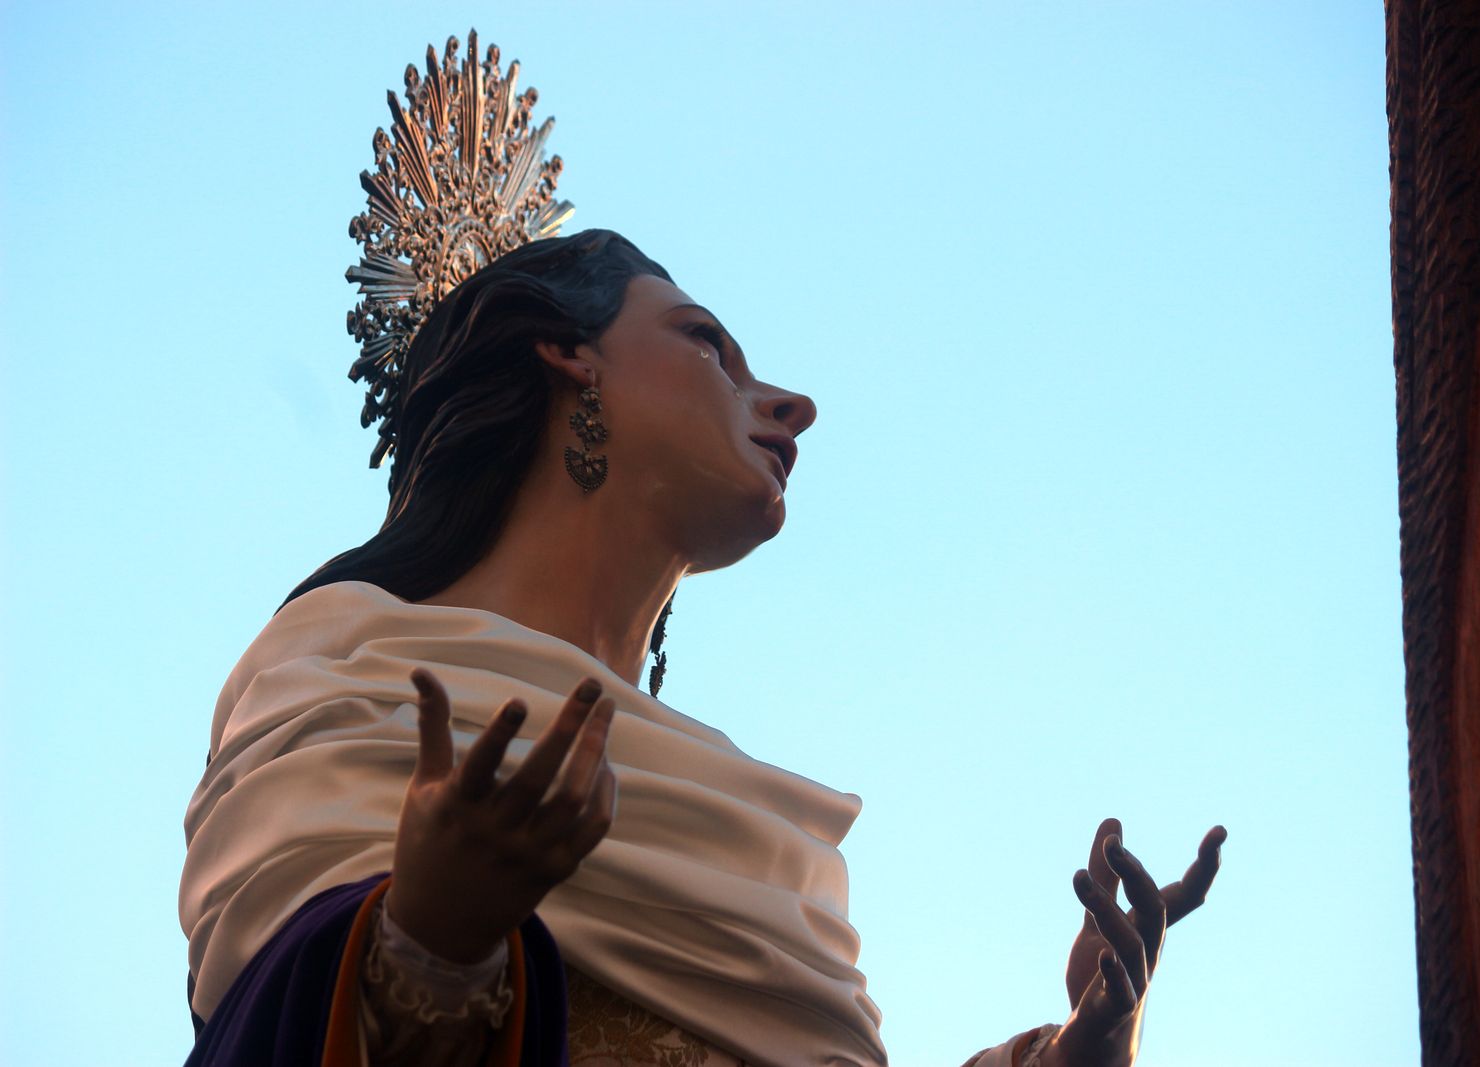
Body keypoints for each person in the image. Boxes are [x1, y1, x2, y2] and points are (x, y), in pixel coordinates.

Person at [180, 36, 1224, 1067]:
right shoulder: (344, 679)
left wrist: (1073, 1052)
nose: (790, 403)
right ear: (567, 353)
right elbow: (263, 1027)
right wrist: (430, 940)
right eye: (708, 345)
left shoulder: (752, 832)